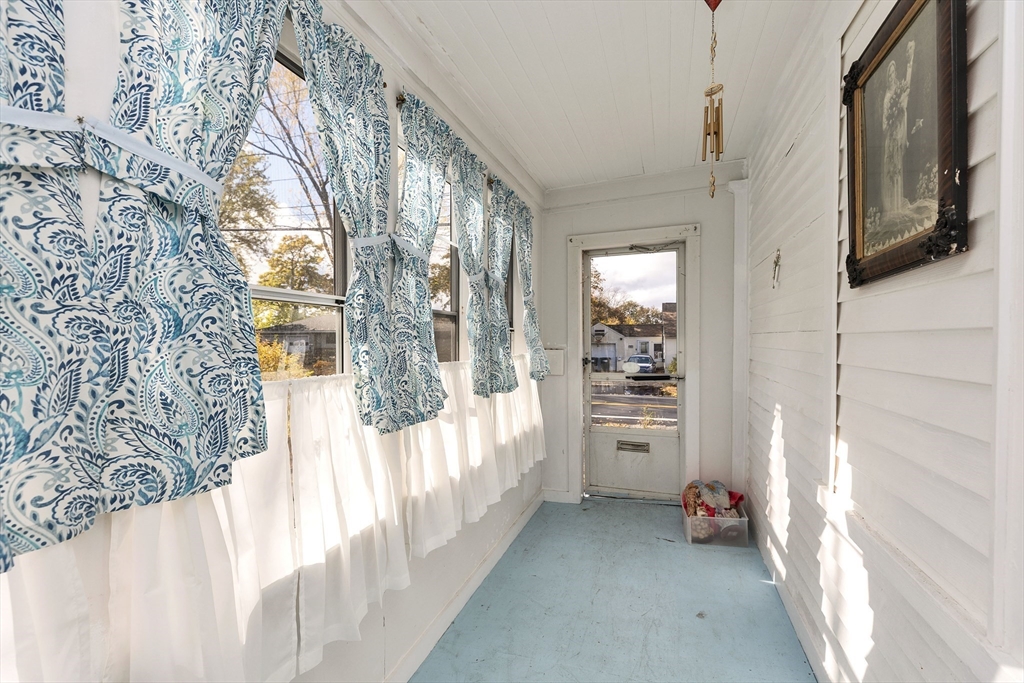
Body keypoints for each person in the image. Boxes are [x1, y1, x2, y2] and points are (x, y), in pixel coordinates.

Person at [882, 40, 916, 218]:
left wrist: (910, 63)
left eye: (894, 73)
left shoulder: (898, 92)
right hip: (890, 137)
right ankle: (892, 207)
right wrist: (891, 119)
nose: (892, 77)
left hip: (898, 134)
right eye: (889, 74)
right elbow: (884, 125)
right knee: (891, 171)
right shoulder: (888, 98)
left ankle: (898, 206)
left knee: (898, 169)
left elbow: (906, 93)